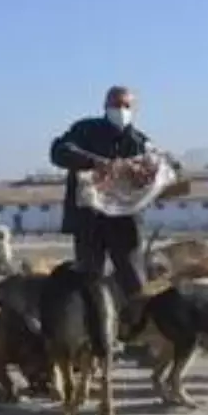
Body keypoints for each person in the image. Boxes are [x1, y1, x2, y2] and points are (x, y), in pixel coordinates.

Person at [49, 85, 159, 298]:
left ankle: (135, 323)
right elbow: (59, 151)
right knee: (88, 281)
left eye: (126, 106)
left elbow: (163, 168)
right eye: (116, 105)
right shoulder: (85, 130)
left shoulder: (140, 142)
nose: (121, 111)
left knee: (134, 280)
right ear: (105, 106)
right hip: (89, 220)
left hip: (124, 222)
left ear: (134, 109)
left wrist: (145, 175)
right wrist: (95, 162)